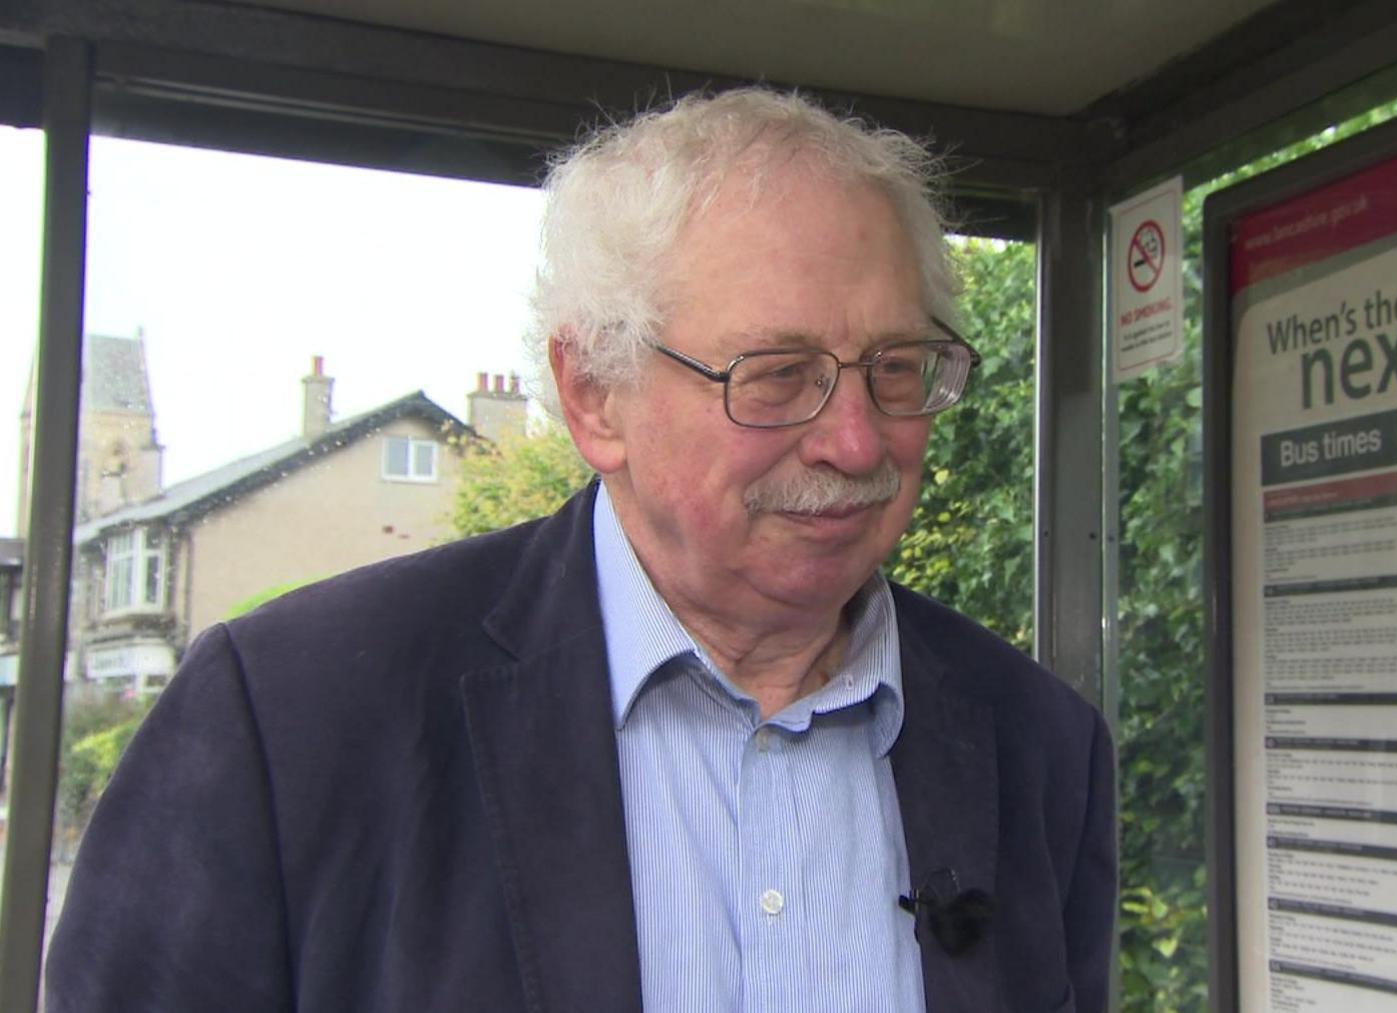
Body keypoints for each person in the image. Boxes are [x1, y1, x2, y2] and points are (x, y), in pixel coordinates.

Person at [47, 88, 1116, 1012]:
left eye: (896, 365)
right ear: (593, 393)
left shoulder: (1038, 748)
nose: (853, 439)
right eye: (777, 373)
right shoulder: (288, 719)